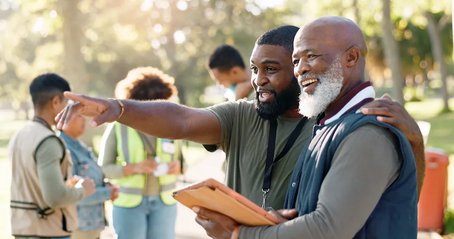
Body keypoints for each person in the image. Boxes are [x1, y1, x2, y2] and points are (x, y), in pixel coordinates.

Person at [55, 26, 424, 213]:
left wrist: (414, 142)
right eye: (253, 69)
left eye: (271, 69)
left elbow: (400, 198)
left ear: (301, 69)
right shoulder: (241, 116)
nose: (258, 80)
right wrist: (119, 109)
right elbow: (182, 120)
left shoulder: (338, 125)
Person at [193, 16, 418, 239]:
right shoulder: (328, 125)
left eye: (310, 56)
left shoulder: (369, 134)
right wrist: (273, 223)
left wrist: (236, 234)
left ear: (351, 57)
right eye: (295, 61)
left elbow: (326, 229)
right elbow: (310, 216)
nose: (299, 70)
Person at [97, 66, 182, 239]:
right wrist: (134, 168)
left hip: (165, 205)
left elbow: (182, 163)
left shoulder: (173, 124)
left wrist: (177, 167)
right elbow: (104, 168)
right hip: (129, 206)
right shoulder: (117, 126)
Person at [9, 73, 95, 239]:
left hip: (23, 228)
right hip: (48, 231)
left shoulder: (19, 135)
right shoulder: (48, 141)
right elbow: (55, 198)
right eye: (67, 104)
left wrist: (66, 185)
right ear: (56, 102)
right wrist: (83, 190)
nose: (70, 110)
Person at [59, 112, 119, 239]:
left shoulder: (81, 146)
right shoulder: (64, 149)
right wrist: (108, 193)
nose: (84, 119)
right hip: (78, 229)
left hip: (92, 226)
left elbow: (93, 180)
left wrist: (106, 185)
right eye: (78, 115)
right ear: (64, 119)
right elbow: (74, 194)